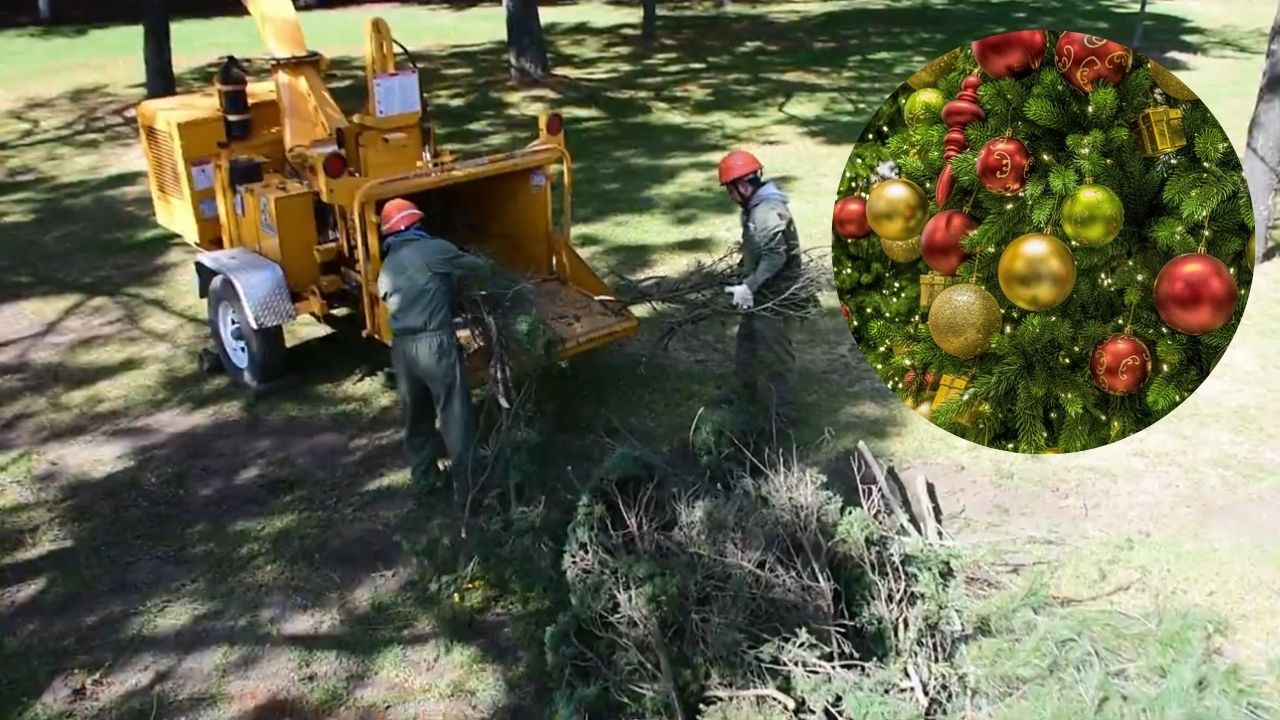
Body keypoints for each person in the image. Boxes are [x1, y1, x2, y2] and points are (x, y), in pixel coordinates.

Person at [376, 197, 503, 497]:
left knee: (416, 417)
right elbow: (481, 269)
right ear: (416, 223)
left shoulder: (388, 266)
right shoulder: (435, 249)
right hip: (434, 343)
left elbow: (388, 297)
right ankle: (469, 488)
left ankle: (424, 483)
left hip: (402, 350)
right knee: (453, 411)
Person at [717, 149, 804, 426]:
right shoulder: (755, 207)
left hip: (776, 295)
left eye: (729, 190)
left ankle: (785, 415)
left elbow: (775, 256)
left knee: (775, 354)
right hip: (760, 291)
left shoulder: (767, 212)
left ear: (742, 186)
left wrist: (749, 286)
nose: (729, 197)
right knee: (748, 343)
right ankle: (745, 394)